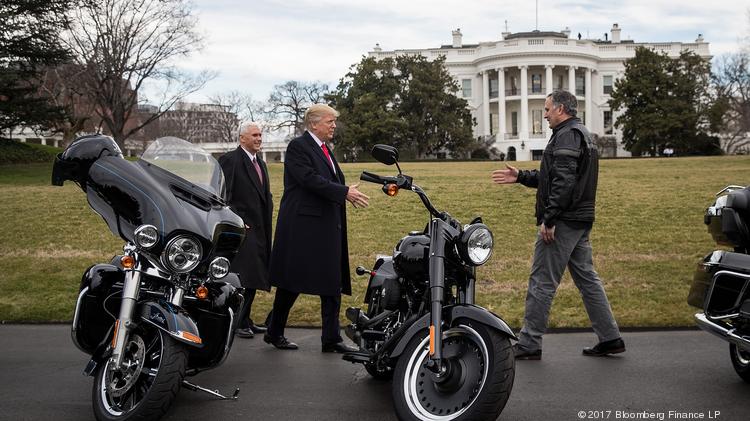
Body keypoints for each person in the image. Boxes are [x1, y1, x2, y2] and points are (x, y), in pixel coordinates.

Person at [491, 90, 625, 360]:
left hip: (563, 221)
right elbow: (553, 177)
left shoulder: (566, 135)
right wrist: (521, 177)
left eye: (548, 108)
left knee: (541, 281)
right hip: (580, 219)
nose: (545, 114)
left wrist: (550, 219)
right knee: (588, 281)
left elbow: (563, 183)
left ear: (561, 109)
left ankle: (529, 343)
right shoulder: (581, 133)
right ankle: (610, 338)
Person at [264, 103, 370, 352]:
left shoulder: (325, 149)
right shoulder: (298, 147)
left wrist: (344, 192)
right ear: (313, 123)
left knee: (331, 280)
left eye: (334, 121)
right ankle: (274, 331)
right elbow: (309, 180)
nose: (334, 125)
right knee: (292, 282)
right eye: (329, 121)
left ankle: (331, 339)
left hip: (325, 225)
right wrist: (344, 192)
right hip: (303, 228)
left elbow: (327, 181)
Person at [219, 122, 273, 339]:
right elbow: (222, 194)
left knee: (255, 275)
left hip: (260, 228)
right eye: (254, 135)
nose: (259, 139)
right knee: (245, 276)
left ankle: (246, 318)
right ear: (242, 138)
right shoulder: (230, 160)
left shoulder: (260, 162)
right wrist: (236, 219)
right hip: (242, 228)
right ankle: (238, 322)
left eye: (260, 135)